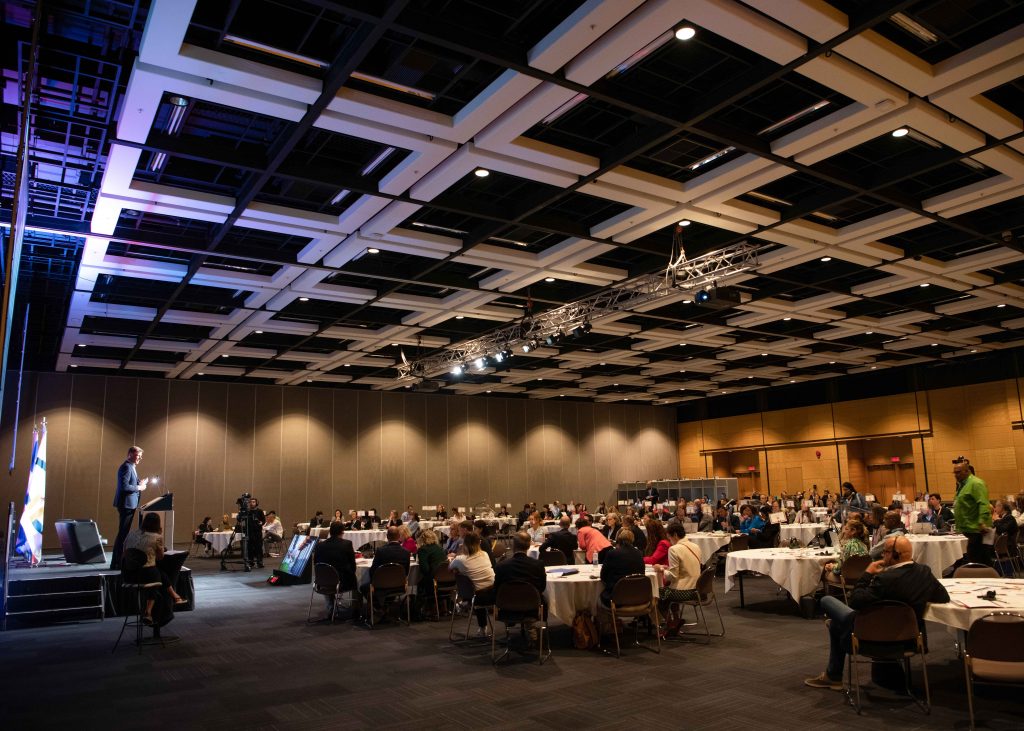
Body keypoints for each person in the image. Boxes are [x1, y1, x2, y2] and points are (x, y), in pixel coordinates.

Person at [805, 535, 950, 690]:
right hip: (909, 638)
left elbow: (855, 601)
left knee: (827, 601)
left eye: (886, 552)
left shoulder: (885, 579)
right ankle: (833, 673)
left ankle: (834, 676)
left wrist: (867, 573)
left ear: (895, 555)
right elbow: (943, 596)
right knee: (836, 624)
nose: (882, 555)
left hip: (871, 636)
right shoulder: (924, 572)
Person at [122, 512, 187, 624]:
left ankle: (175, 597)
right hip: (146, 575)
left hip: (128, 574)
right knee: (157, 575)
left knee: (158, 573)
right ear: (157, 524)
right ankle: (149, 611)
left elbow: (124, 550)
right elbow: (160, 557)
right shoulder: (157, 537)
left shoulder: (131, 534)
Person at [656, 523, 704, 635]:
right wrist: (668, 568)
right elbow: (686, 567)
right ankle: (676, 619)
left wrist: (661, 570)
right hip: (698, 589)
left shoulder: (674, 549)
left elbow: (673, 576)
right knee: (669, 590)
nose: (670, 541)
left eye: (670, 538)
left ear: (675, 535)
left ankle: (670, 624)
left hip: (685, 591)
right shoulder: (695, 546)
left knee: (658, 594)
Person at [358, 526, 410, 620]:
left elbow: (373, 571)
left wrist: (373, 583)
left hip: (381, 585)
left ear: (387, 537)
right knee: (387, 587)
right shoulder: (406, 552)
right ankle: (385, 607)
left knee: (363, 587)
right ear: (399, 536)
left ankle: (379, 608)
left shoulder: (381, 551)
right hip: (399, 585)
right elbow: (406, 572)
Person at [111, 445, 150, 570]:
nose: (140, 458)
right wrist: (139, 487)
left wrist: (140, 483)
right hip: (126, 505)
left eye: (140, 456)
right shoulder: (126, 467)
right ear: (129, 455)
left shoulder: (131, 467)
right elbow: (124, 487)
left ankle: (118, 562)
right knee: (122, 534)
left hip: (129, 504)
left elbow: (130, 483)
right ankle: (116, 563)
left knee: (124, 534)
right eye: (138, 455)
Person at [449, 532, 496, 637]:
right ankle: (465, 603)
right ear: (479, 543)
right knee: (477, 583)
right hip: (496, 593)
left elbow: (450, 568)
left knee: (466, 579)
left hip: (477, 596)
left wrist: (460, 553)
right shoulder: (485, 554)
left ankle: (465, 602)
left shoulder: (460, 559)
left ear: (464, 545)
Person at [493, 531, 547, 610]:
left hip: (507, 606)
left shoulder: (501, 566)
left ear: (513, 546)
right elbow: (542, 587)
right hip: (532, 605)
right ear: (529, 546)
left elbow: (497, 589)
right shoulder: (538, 565)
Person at [313, 522, 356, 618]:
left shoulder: (319, 545)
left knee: (330, 576)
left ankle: (330, 606)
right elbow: (353, 566)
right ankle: (357, 609)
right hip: (342, 583)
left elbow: (316, 563)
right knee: (356, 578)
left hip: (322, 582)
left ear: (330, 531)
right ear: (342, 532)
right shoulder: (347, 544)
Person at [953, 459, 992, 564]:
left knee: (979, 562)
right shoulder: (962, 485)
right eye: (954, 473)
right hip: (970, 530)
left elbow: (983, 503)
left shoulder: (976, 483)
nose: (956, 475)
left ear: (967, 471)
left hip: (978, 530)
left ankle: (987, 579)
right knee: (976, 560)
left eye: (958, 472)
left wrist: (982, 521)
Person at [599, 528, 645, 606]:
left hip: (616, 598)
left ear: (618, 540)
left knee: (598, 597)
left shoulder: (612, 553)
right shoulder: (639, 553)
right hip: (639, 596)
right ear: (632, 540)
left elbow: (603, 576)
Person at [820, 520, 869, 590]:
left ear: (853, 531)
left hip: (848, 579)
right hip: (861, 578)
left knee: (824, 572)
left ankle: (829, 596)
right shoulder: (864, 545)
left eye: (846, 529)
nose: (844, 532)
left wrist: (831, 567)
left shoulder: (849, 545)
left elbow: (839, 569)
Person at [416, 529, 447, 615]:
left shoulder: (423, 549)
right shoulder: (439, 548)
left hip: (433, 580)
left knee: (419, 581)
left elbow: (425, 569)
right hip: (447, 579)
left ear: (422, 539)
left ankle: (430, 608)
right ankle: (442, 606)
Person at [992, 499, 1018, 565]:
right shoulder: (1003, 517)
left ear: (1001, 507)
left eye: (996, 507)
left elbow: (1001, 530)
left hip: (1008, 547)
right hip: (1004, 547)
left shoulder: (1009, 518)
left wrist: (995, 520)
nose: (994, 509)